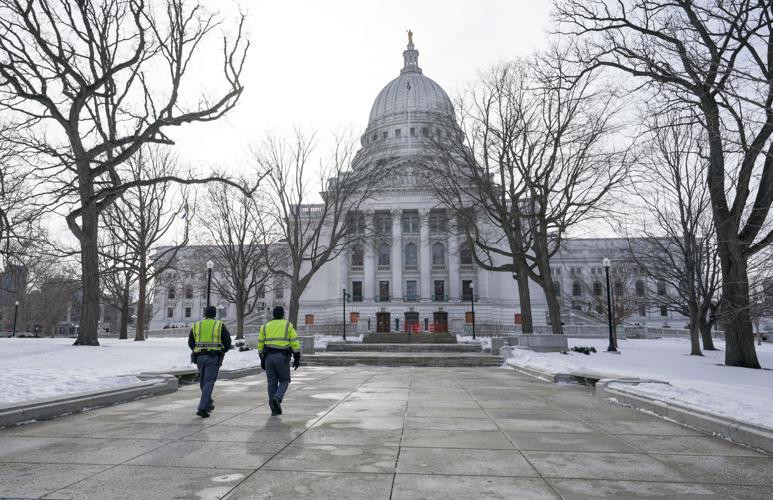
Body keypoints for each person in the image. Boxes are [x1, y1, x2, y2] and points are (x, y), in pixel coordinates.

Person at [189, 305, 232, 418]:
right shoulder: (219, 325)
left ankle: (208, 402)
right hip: (213, 357)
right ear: (215, 314)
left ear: (205, 314)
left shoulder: (197, 325)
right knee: (208, 382)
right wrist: (222, 350)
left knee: (203, 382)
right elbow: (227, 342)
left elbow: (190, 342)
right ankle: (202, 408)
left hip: (199, 357)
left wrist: (196, 350)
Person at [258, 306, 301, 416]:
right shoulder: (288, 325)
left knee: (271, 383)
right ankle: (277, 398)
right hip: (282, 357)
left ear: (273, 314)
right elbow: (295, 342)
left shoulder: (265, 326)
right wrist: (297, 356)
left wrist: (262, 359)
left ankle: (273, 409)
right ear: (283, 315)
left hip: (268, 357)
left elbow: (260, 344)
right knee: (284, 380)